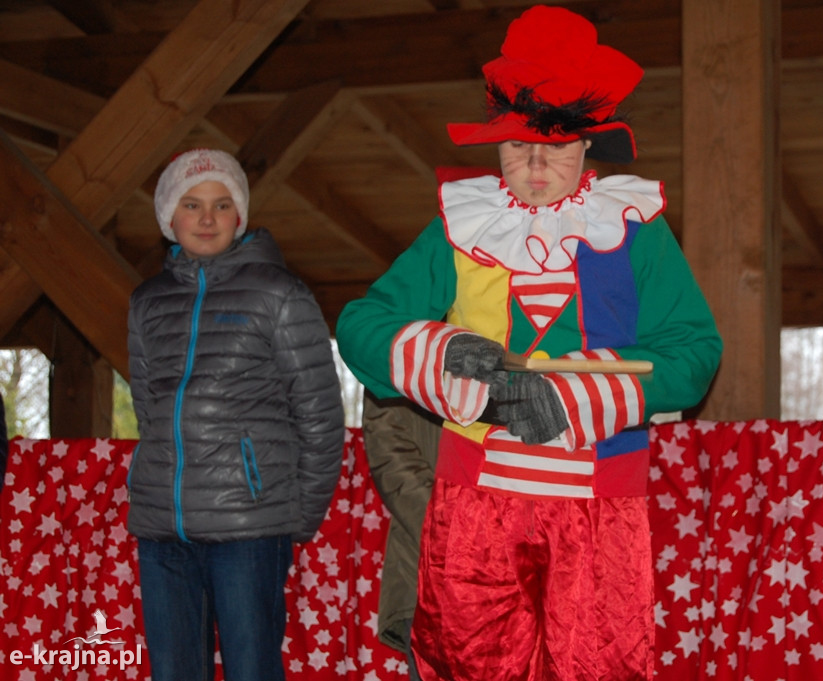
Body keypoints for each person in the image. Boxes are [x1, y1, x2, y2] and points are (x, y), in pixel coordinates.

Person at [337, 5, 722, 680]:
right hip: (475, 501)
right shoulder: (460, 226)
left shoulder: (635, 228)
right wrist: (440, 349)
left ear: (587, 144)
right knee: (469, 666)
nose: (536, 165)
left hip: (599, 503)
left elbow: (693, 350)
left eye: (555, 146)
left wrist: (573, 395)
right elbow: (362, 325)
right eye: (518, 146)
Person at [127, 148, 345, 681]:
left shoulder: (280, 294)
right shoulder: (146, 301)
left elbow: (320, 416)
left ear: (241, 215)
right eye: (192, 204)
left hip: (250, 529)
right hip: (163, 530)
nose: (207, 218)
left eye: (223, 204)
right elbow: (147, 406)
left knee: (252, 671)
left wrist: (296, 516)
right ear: (168, 219)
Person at [361, 392, 441, 680]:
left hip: (530, 561)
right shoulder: (399, 349)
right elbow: (386, 441)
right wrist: (446, 524)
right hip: (429, 564)